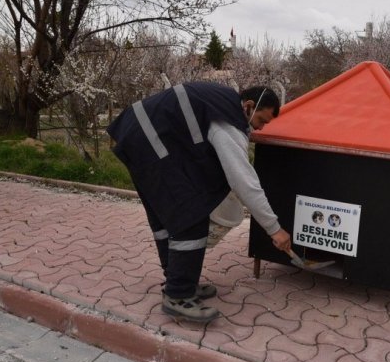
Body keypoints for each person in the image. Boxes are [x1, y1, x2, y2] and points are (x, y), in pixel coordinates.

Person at [107, 82, 291, 323]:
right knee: (190, 215)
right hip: (150, 144)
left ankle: (178, 279)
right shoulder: (227, 121)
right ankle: (178, 296)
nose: (261, 127)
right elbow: (243, 180)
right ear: (248, 106)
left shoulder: (219, 101)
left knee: (164, 216)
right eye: (261, 120)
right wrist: (274, 229)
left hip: (137, 137)